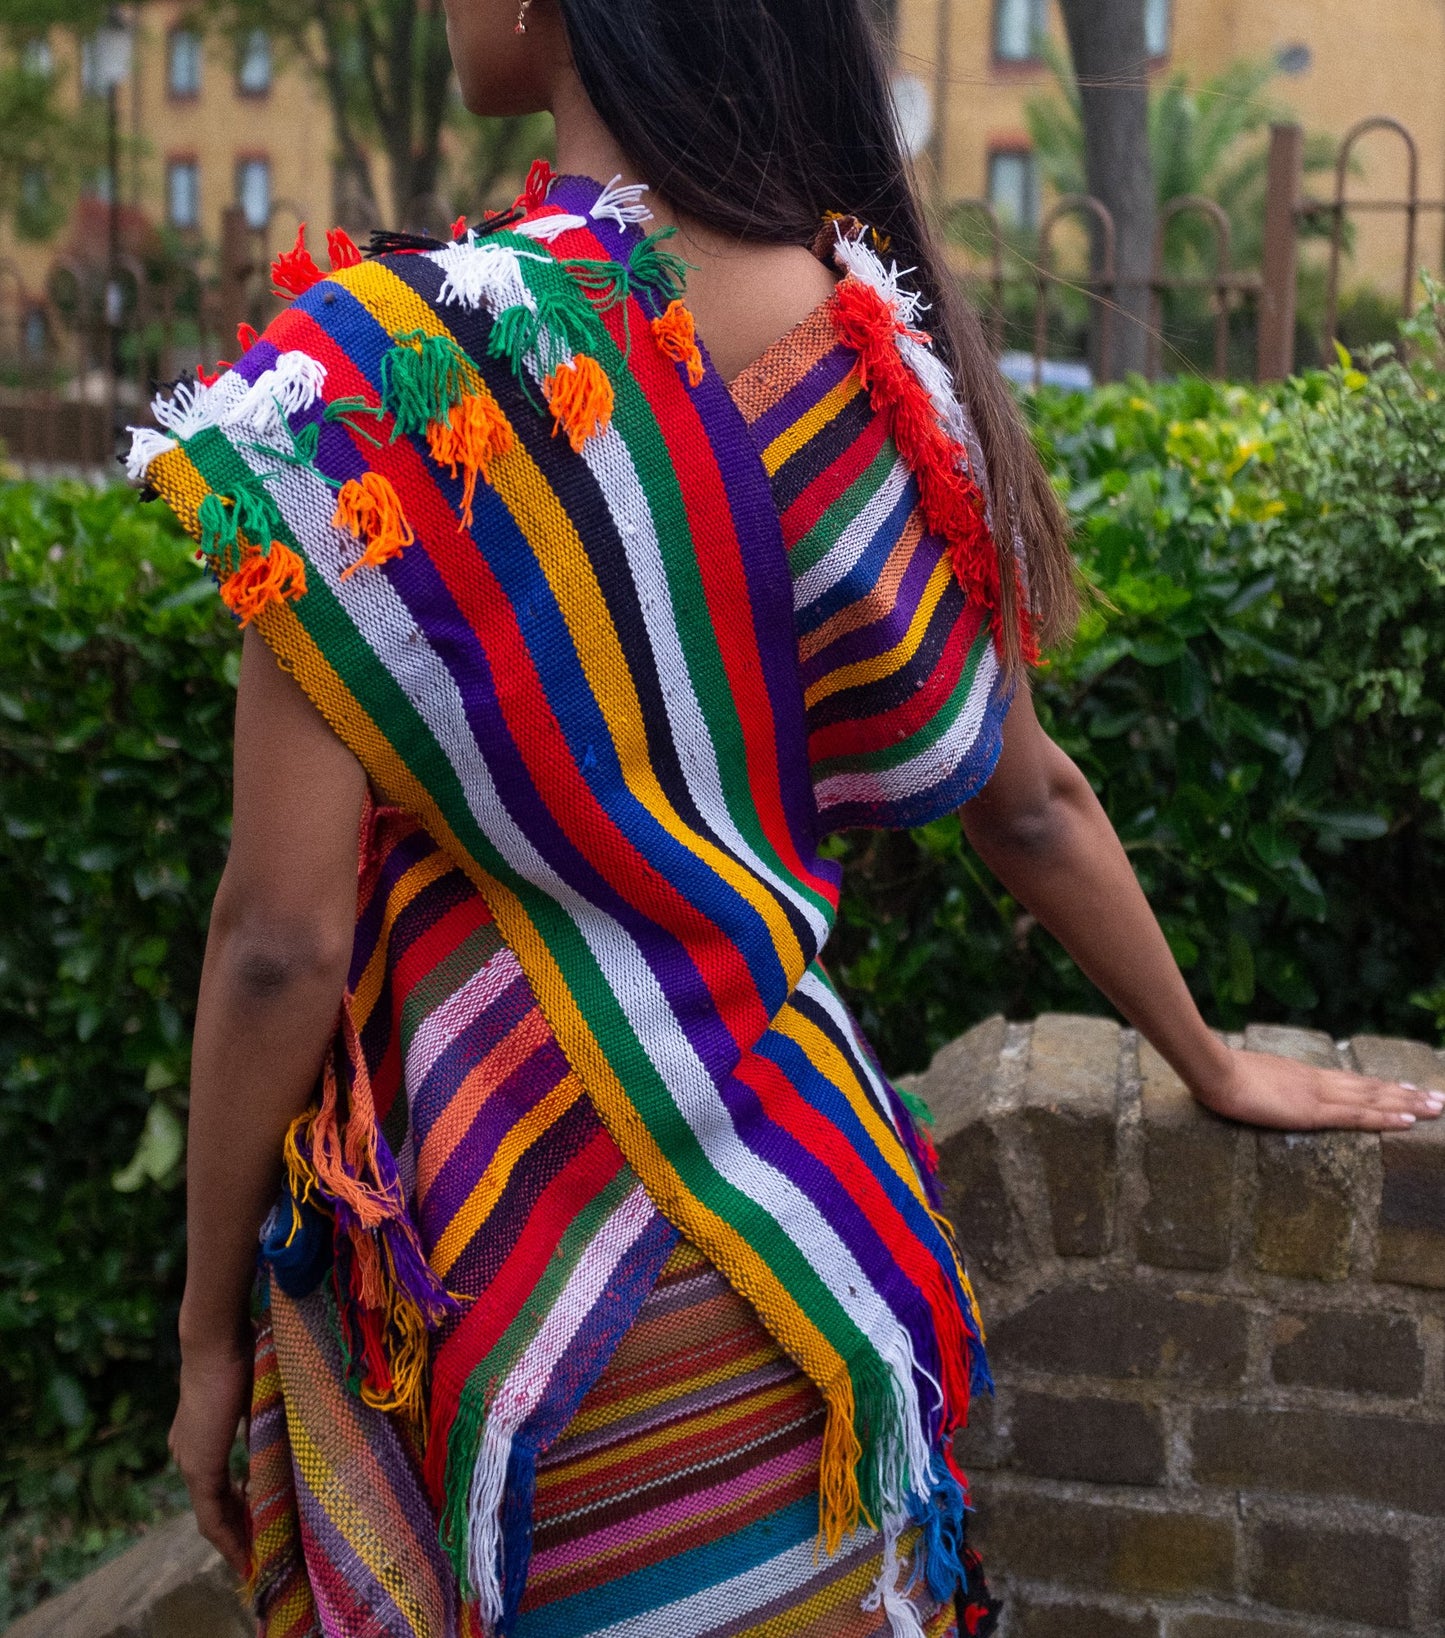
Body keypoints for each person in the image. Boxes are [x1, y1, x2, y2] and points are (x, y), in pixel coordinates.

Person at [143, 3, 1443, 1635]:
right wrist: (1208, 1054)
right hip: (820, 1272)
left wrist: (204, 1337)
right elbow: (1028, 805)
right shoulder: (864, 347)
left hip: (518, 1299)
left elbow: (280, 943)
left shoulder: (371, 389)